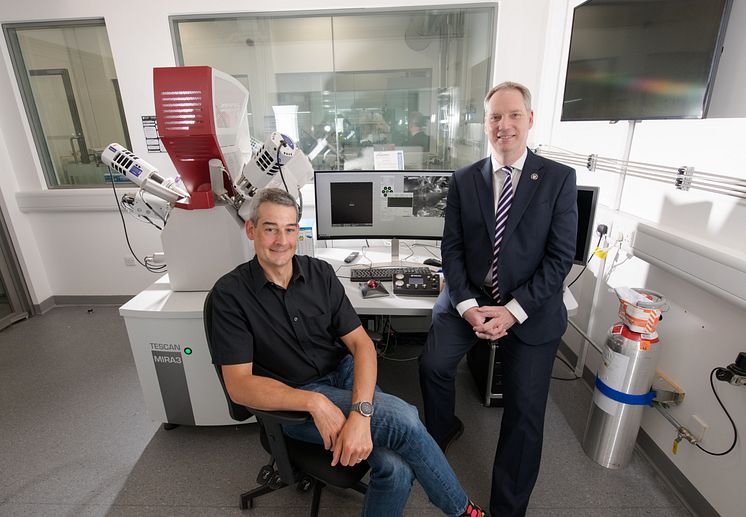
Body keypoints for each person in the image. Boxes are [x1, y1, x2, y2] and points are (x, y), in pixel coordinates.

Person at [208, 188, 486, 517]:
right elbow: (239, 385)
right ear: (251, 230)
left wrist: (360, 414)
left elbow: (361, 344)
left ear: (298, 231)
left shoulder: (320, 274)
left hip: (342, 374)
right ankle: (463, 510)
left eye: (289, 229)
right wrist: (314, 402)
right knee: (406, 419)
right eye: (270, 229)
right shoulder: (230, 296)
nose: (281, 240)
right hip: (295, 399)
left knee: (396, 467)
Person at [418, 82, 578, 517]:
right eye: (494, 117)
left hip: (529, 309)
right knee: (433, 365)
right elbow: (450, 249)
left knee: (525, 415)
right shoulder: (465, 179)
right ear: (484, 124)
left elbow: (560, 257)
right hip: (470, 298)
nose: (503, 125)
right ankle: (442, 430)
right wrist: (467, 306)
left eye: (512, 115)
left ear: (529, 119)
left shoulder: (558, 179)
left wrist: (512, 311)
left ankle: (508, 509)